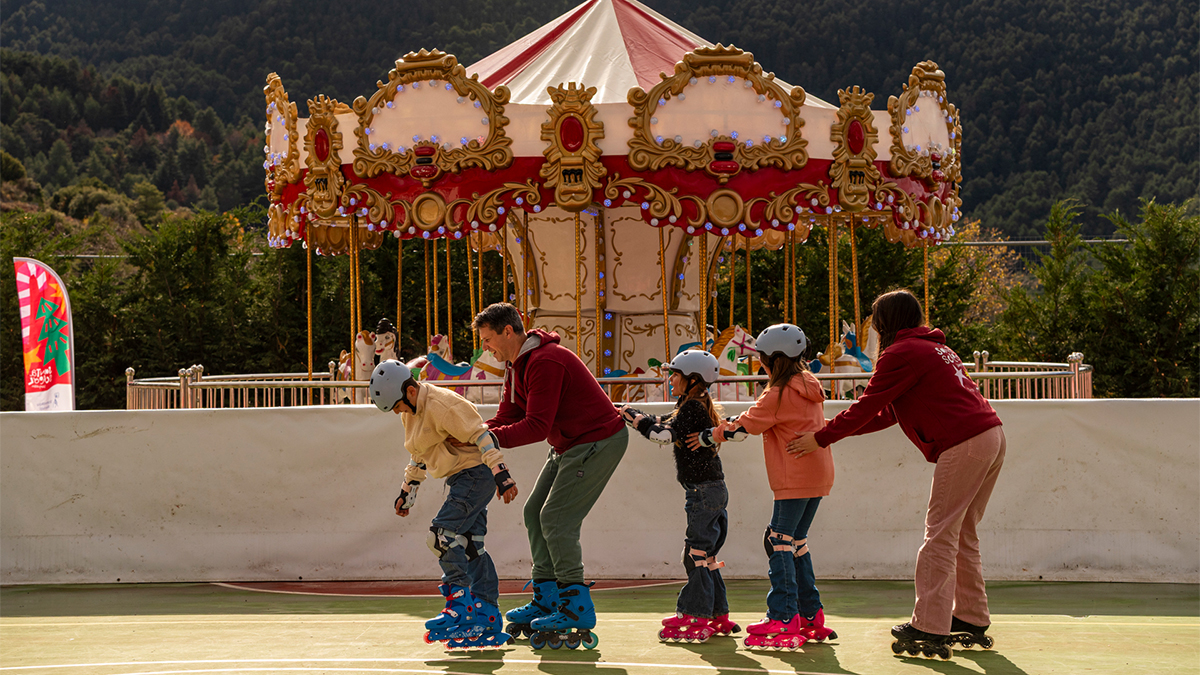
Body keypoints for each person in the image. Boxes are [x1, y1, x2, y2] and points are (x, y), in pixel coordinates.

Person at [790, 289, 1004, 661]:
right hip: (991, 436)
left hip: (964, 442)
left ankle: (929, 625)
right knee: (962, 531)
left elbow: (868, 405)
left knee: (939, 535)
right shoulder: (935, 348)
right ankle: (970, 616)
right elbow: (889, 413)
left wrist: (822, 437)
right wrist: (830, 432)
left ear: (886, 322)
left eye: (875, 320)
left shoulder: (900, 354)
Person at [471, 302, 628, 651]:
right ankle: (547, 598)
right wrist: (474, 434)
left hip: (597, 440)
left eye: (488, 340)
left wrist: (488, 439)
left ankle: (575, 607)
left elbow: (536, 427)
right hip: (570, 444)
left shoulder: (545, 361)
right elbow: (508, 414)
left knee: (556, 519)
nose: (486, 349)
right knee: (534, 513)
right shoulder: (517, 366)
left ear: (508, 331)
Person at [690, 323, 837, 651]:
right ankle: (811, 615)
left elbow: (747, 425)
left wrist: (710, 435)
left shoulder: (778, 393)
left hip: (794, 475)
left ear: (774, 359)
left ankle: (783, 616)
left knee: (778, 539)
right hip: (819, 472)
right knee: (796, 540)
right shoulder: (809, 385)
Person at [368, 359, 519, 651]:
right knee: (471, 544)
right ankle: (486, 611)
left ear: (410, 392)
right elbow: (420, 451)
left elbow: (482, 435)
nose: (398, 412)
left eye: (398, 406)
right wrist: (407, 490)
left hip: (476, 475)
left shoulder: (443, 405)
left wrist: (502, 475)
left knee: (441, 536)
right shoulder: (411, 411)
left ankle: (460, 600)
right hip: (460, 477)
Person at [615, 349, 740, 643]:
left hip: (702, 492)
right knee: (706, 556)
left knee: (695, 554)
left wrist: (634, 419)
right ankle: (718, 613)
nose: (671, 379)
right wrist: (631, 413)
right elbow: (666, 421)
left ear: (692, 378)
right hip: (713, 490)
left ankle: (695, 614)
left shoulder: (693, 408)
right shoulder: (694, 406)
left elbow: (662, 434)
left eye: (675, 374)